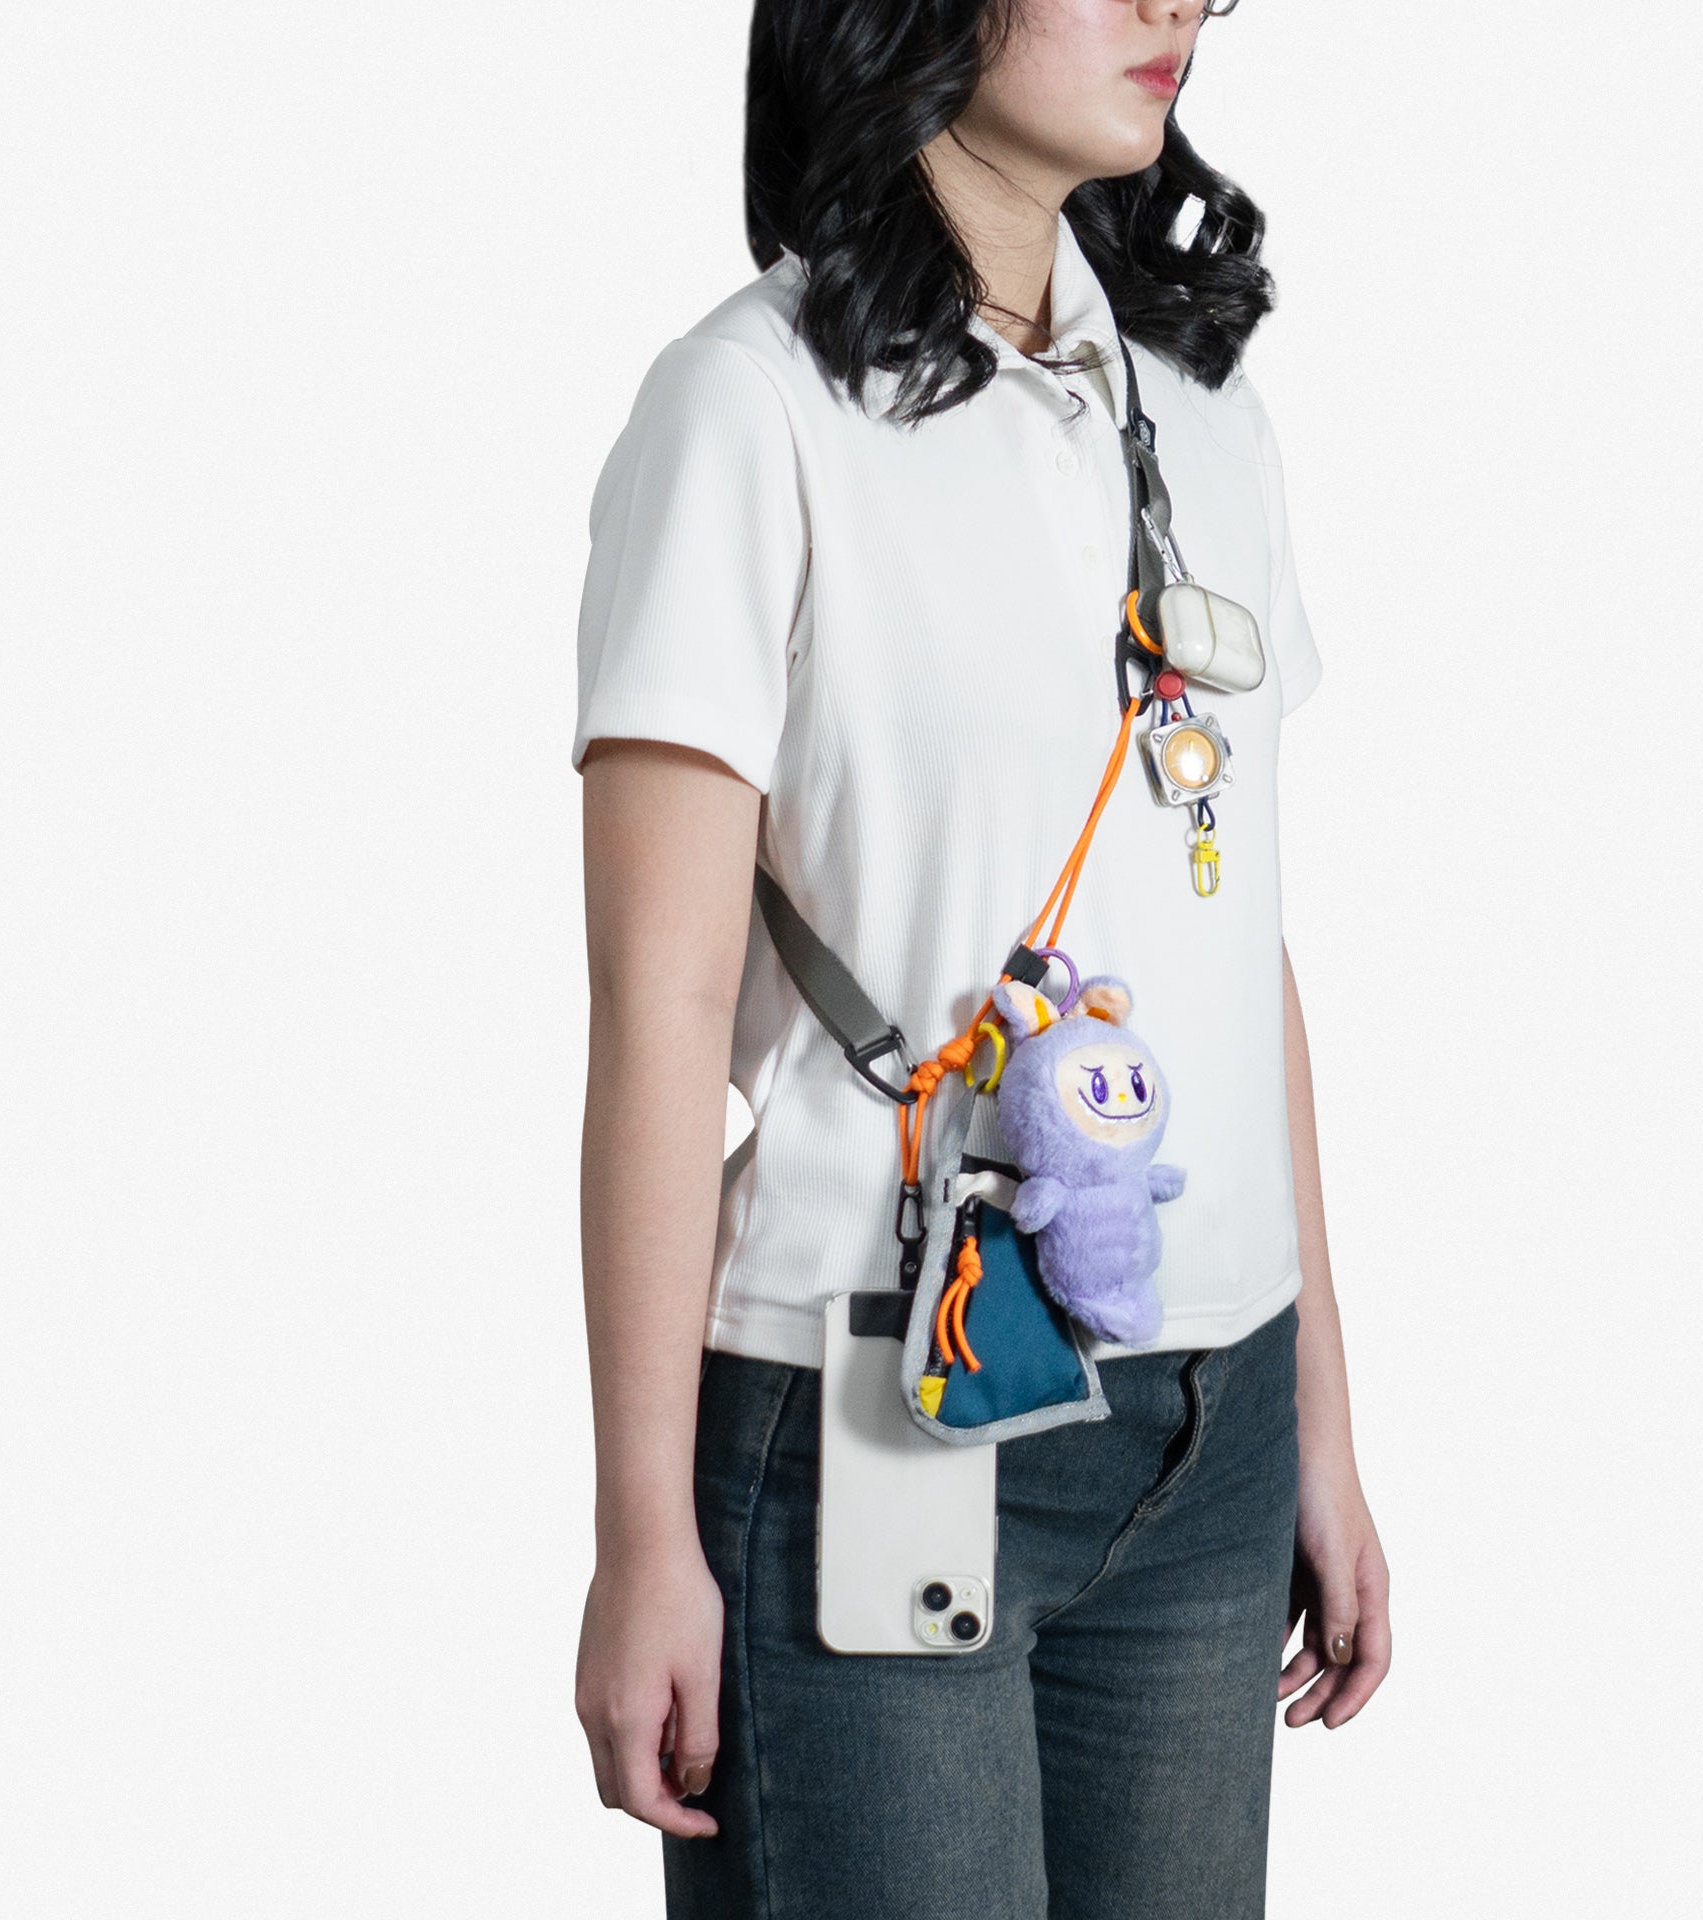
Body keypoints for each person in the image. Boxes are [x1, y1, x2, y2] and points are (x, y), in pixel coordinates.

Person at [571, 2, 1391, 1913]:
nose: (1177, 3)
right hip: (880, 1410)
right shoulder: (749, 410)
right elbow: (657, 1017)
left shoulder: (1201, 414)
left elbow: (1240, 944)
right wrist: (640, 1536)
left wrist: (1321, 1429)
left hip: (1213, 1427)